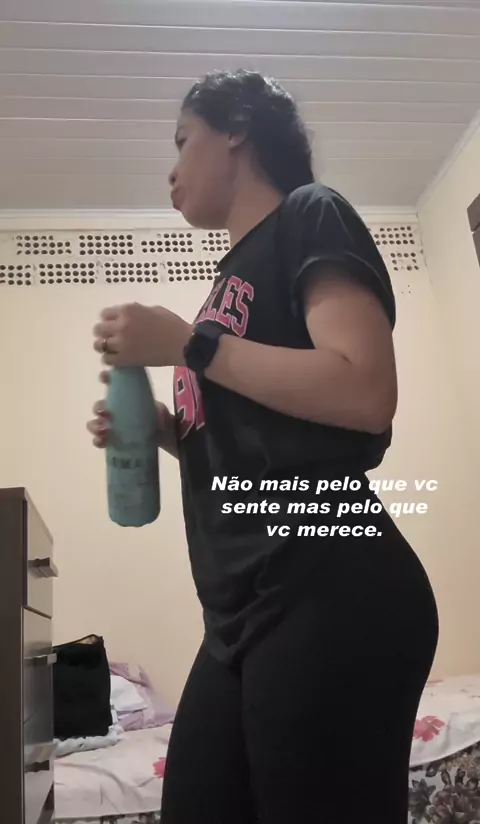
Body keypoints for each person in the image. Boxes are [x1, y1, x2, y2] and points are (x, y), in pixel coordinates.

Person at [88, 70, 438, 824]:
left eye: (183, 140)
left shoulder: (311, 213)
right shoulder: (221, 291)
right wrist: (162, 429)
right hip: (239, 613)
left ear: (236, 130)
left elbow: (364, 390)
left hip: (329, 583)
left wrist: (191, 345)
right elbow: (254, 448)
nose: (171, 170)